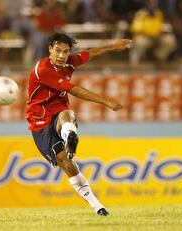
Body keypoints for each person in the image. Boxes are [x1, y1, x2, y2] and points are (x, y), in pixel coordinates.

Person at [25, 33, 132, 215]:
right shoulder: (43, 69)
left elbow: (90, 53)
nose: (61, 55)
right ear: (50, 49)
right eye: (57, 51)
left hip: (58, 111)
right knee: (66, 163)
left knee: (66, 114)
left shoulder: (69, 62)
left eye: (65, 52)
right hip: (39, 120)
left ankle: (98, 207)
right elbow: (74, 90)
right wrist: (106, 101)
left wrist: (113, 46)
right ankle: (69, 135)